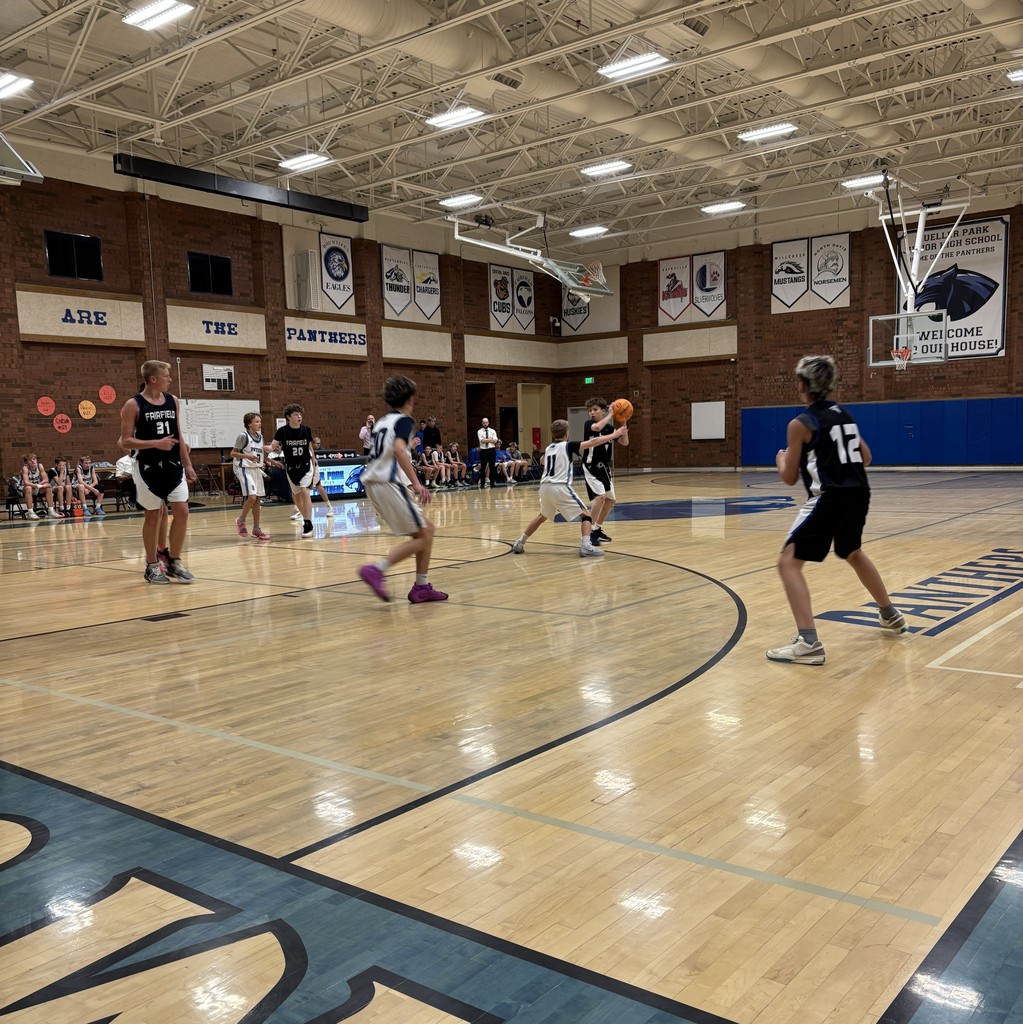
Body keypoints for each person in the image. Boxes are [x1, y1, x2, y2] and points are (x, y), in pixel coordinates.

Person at [767, 354, 907, 665]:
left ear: (802, 385)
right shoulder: (845, 415)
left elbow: (789, 477)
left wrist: (781, 458)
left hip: (829, 497)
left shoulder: (800, 423)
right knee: (853, 551)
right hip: (859, 493)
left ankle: (808, 642)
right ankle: (889, 614)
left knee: (788, 564)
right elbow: (866, 458)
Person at [358, 375, 447, 603]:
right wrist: (416, 483)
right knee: (425, 534)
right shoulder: (405, 421)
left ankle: (422, 586)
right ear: (410, 398)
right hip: (388, 482)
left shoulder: (381, 421)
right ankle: (378, 569)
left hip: (373, 482)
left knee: (425, 530)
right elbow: (398, 449)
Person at [118, 360, 197, 584]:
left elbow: (178, 435)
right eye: (166, 376)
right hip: (147, 468)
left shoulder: (173, 401)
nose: (170, 380)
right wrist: (155, 443)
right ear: (153, 379)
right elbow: (125, 441)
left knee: (182, 511)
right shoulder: (133, 405)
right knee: (153, 515)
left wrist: (188, 463)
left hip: (173, 465)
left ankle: (174, 560)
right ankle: (152, 566)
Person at [510, 418, 627, 558]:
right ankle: (586, 546)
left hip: (545, 487)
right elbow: (592, 442)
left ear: (554, 435)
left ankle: (520, 542)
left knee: (542, 516)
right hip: (560, 487)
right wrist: (613, 435)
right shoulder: (568, 446)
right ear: (567, 434)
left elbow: (542, 461)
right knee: (587, 516)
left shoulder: (548, 448)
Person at [582, 396, 628, 545]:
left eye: (595, 410)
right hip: (591, 466)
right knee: (600, 497)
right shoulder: (589, 424)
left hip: (604, 468)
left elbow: (624, 442)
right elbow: (597, 428)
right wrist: (611, 414)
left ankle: (596, 529)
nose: (592, 413)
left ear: (602, 410)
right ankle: (588, 535)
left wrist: (623, 422)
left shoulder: (609, 428)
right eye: (590, 410)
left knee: (611, 500)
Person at [270, 403, 316, 539]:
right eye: (296, 414)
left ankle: (307, 524)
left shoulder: (306, 430)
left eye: (300, 414)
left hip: (306, 466)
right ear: (288, 417)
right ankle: (307, 520)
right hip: (291, 468)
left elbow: (310, 449)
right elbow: (272, 446)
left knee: (304, 491)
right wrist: (263, 448)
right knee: (296, 497)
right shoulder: (282, 431)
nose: (299, 416)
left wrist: (314, 466)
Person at [230, 411, 271, 541]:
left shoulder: (260, 436)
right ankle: (241, 520)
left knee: (257, 500)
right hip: (245, 469)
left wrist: (272, 461)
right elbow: (233, 454)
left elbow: (260, 455)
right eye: (256, 421)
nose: (259, 424)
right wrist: (247, 456)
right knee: (252, 497)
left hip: (256, 469)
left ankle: (256, 529)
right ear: (249, 423)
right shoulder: (243, 436)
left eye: (260, 421)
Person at [21, 454, 61, 520]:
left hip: (36, 487)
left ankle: (51, 511)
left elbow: (46, 479)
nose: (33, 461)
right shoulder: (25, 468)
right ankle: (30, 513)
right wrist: (40, 486)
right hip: (24, 489)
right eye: (30, 460)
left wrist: (39, 485)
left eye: (34, 459)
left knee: (48, 487)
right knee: (28, 488)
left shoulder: (40, 466)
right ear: (26, 462)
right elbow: (26, 482)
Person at [477, 417, 499, 488]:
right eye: (484, 422)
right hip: (484, 450)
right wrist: (491, 440)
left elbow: (495, 441)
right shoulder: (480, 431)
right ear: (482, 423)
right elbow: (482, 441)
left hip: (492, 450)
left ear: (488, 423)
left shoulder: (492, 431)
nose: (485, 424)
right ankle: (482, 484)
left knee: (492, 467)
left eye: (486, 422)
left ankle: (492, 483)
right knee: (483, 467)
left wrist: (486, 440)